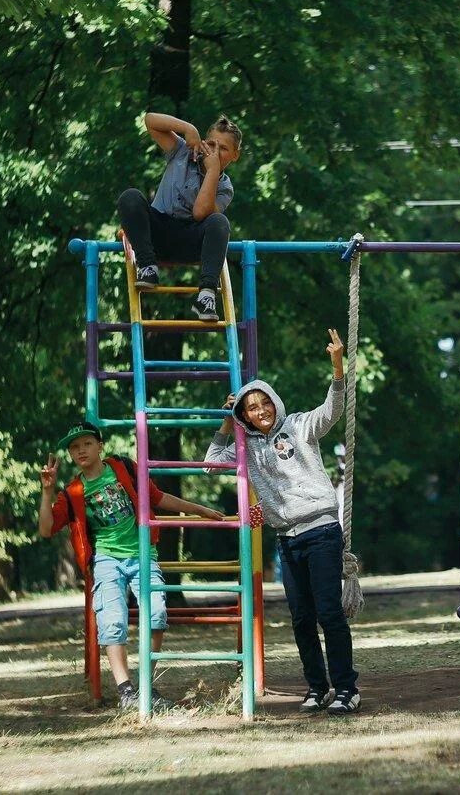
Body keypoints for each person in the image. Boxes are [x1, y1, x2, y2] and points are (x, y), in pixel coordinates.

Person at [205, 330, 362, 716]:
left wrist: (337, 365)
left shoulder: (298, 426)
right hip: (287, 538)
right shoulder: (246, 447)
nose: (260, 411)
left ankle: (346, 688)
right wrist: (227, 420)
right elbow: (211, 461)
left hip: (321, 529)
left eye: (264, 403)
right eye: (251, 408)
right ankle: (317, 687)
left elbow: (332, 409)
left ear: (274, 402)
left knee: (328, 612)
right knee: (301, 618)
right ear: (244, 415)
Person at [38, 421, 225, 710]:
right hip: (106, 560)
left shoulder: (124, 468)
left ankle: (146, 686)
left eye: (87, 443)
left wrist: (199, 509)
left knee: (157, 613)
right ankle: (126, 691)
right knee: (112, 621)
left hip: (142, 554)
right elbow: (46, 529)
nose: (81, 450)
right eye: (74, 447)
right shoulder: (73, 491)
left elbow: (158, 497)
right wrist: (47, 491)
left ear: (100, 446)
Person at [116, 112, 241, 321]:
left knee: (220, 222)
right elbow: (150, 121)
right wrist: (188, 128)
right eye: (211, 144)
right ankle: (147, 266)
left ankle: (206, 295)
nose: (215, 152)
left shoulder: (225, 188)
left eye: (224, 149)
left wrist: (212, 172)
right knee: (130, 197)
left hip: (191, 242)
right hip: (157, 236)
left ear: (235, 155)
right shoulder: (182, 151)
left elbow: (200, 212)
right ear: (203, 142)